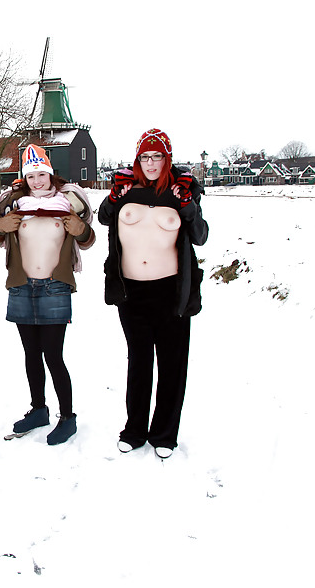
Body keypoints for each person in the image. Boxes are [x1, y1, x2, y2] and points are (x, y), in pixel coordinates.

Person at [97, 128, 208, 460]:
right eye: (145, 156)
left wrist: (188, 206)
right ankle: (134, 429)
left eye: (157, 156)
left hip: (170, 290)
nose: (151, 162)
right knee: (140, 362)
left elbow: (200, 236)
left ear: (167, 158)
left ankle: (164, 434)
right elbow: (104, 216)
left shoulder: (181, 192)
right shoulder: (125, 189)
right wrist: (114, 196)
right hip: (131, 291)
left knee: (172, 364)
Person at [0, 144, 95, 445]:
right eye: (31, 176)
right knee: (31, 354)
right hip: (22, 285)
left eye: (41, 174)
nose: (37, 181)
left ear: (50, 174)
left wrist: (79, 229)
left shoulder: (67, 202)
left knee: (53, 355)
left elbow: (87, 238)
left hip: (54, 285)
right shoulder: (15, 204)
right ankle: (38, 409)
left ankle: (68, 416)